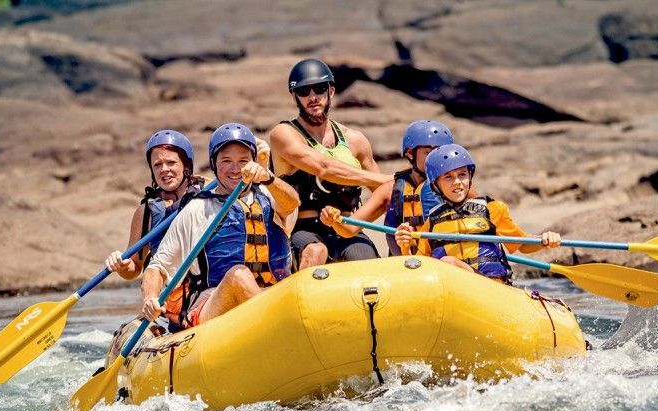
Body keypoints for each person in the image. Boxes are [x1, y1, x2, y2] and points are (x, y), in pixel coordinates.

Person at [142, 123, 300, 328]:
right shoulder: (197, 209)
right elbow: (157, 267)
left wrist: (269, 177)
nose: (235, 169)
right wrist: (150, 299)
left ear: (253, 162)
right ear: (214, 164)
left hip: (271, 294)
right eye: (226, 161)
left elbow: (292, 204)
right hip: (214, 302)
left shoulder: (270, 196)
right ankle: (278, 331)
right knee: (238, 276)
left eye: (243, 161)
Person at [269, 58, 392, 268]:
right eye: (304, 91)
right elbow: (322, 167)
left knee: (365, 262)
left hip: (347, 226)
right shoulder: (283, 134)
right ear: (294, 96)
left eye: (319, 89)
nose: (313, 97)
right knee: (316, 251)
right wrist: (389, 178)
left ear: (331, 91)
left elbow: (385, 192)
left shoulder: (355, 140)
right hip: (303, 230)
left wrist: (351, 226)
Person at [394, 144, 561, 283]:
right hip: (451, 290)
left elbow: (522, 245)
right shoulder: (433, 221)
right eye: (448, 177)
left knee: (447, 262)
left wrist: (543, 240)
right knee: (445, 264)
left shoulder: (492, 209)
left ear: (470, 176)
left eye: (462, 175)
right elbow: (419, 265)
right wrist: (405, 246)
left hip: (490, 286)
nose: (457, 182)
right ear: (436, 184)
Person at [319, 119, 454, 255]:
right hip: (403, 266)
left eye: (442, 152)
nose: (438, 158)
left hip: (443, 267)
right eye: (429, 152)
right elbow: (349, 229)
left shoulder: (457, 188)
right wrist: (334, 220)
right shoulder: (389, 190)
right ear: (409, 153)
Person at [104, 129, 204, 280]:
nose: (164, 169)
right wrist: (122, 266)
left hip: (209, 288)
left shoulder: (209, 194)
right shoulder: (146, 212)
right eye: (157, 165)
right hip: (170, 296)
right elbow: (134, 268)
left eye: (171, 162)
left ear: (186, 165)